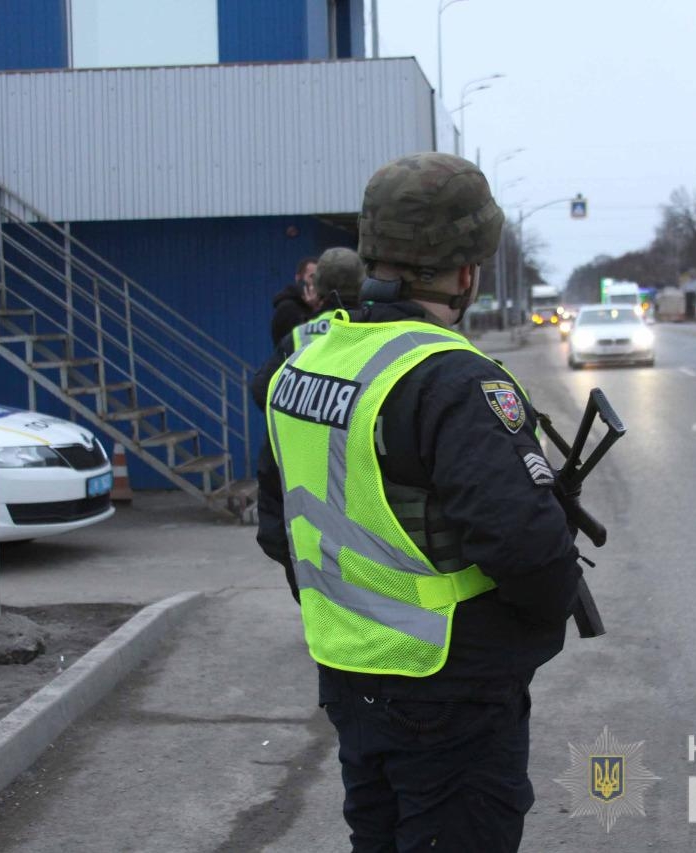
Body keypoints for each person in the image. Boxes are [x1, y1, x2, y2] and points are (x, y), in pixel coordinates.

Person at [256, 152, 582, 852]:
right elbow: (528, 550)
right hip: (449, 693)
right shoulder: (452, 379)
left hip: (349, 676)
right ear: (467, 271)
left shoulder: (304, 362)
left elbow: (277, 526)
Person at [249, 246, 366, 409]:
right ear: (362, 284)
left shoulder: (300, 335)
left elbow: (262, 389)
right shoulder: (379, 328)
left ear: (318, 286)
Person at [269, 256, 320, 346]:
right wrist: (314, 311)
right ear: (298, 279)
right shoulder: (287, 309)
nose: (316, 282)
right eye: (312, 277)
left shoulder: (322, 304)